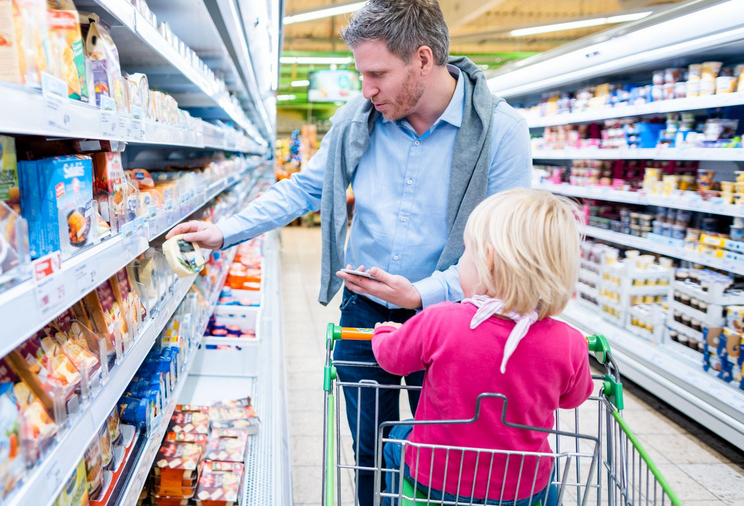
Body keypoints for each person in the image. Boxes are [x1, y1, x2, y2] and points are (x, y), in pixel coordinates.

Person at [167, 1, 531, 503]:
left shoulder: (502, 132)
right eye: (361, 74)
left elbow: (508, 249)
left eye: (377, 73)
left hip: (456, 322)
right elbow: (304, 190)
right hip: (364, 314)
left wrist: (420, 294)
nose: (367, 90)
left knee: (444, 458)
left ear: (423, 60)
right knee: (368, 453)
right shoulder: (359, 120)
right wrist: (226, 230)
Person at [372, 189, 594, 506]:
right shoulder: (570, 341)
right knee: (547, 477)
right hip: (524, 489)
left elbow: (392, 359)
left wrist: (385, 333)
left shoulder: (439, 321)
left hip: (440, 478)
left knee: (395, 439)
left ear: (487, 258)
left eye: (465, 252)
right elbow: (574, 398)